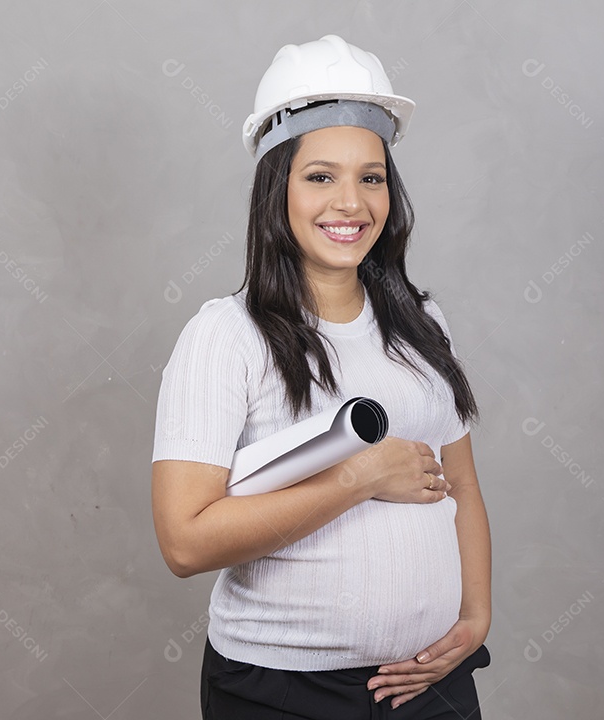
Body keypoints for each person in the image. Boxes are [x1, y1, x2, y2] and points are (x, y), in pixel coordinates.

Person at [150, 34, 492, 719]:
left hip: (428, 685)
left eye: (372, 177)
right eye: (320, 177)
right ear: (277, 186)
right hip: (283, 691)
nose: (351, 203)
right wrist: (357, 478)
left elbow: (459, 485)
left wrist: (475, 619)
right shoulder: (227, 336)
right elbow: (185, 541)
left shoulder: (422, 322)